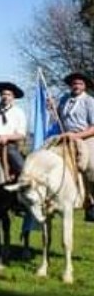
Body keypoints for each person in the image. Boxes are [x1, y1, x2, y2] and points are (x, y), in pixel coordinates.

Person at [57, 71, 94, 221]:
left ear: (84, 86)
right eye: (74, 84)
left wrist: (77, 136)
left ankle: (91, 202)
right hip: (65, 136)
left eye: (79, 83)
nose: (76, 86)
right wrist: (52, 108)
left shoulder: (89, 101)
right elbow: (59, 119)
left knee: (91, 166)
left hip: (85, 136)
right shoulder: (64, 99)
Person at [0, 81, 27, 180]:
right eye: (3, 94)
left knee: (21, 166)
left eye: (8, 95)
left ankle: (22, 180)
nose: (5, 97)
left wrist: (6, 137)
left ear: (13, 97)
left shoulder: (19, 112)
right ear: (0, 95)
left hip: (9, 144)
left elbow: (21, 134)